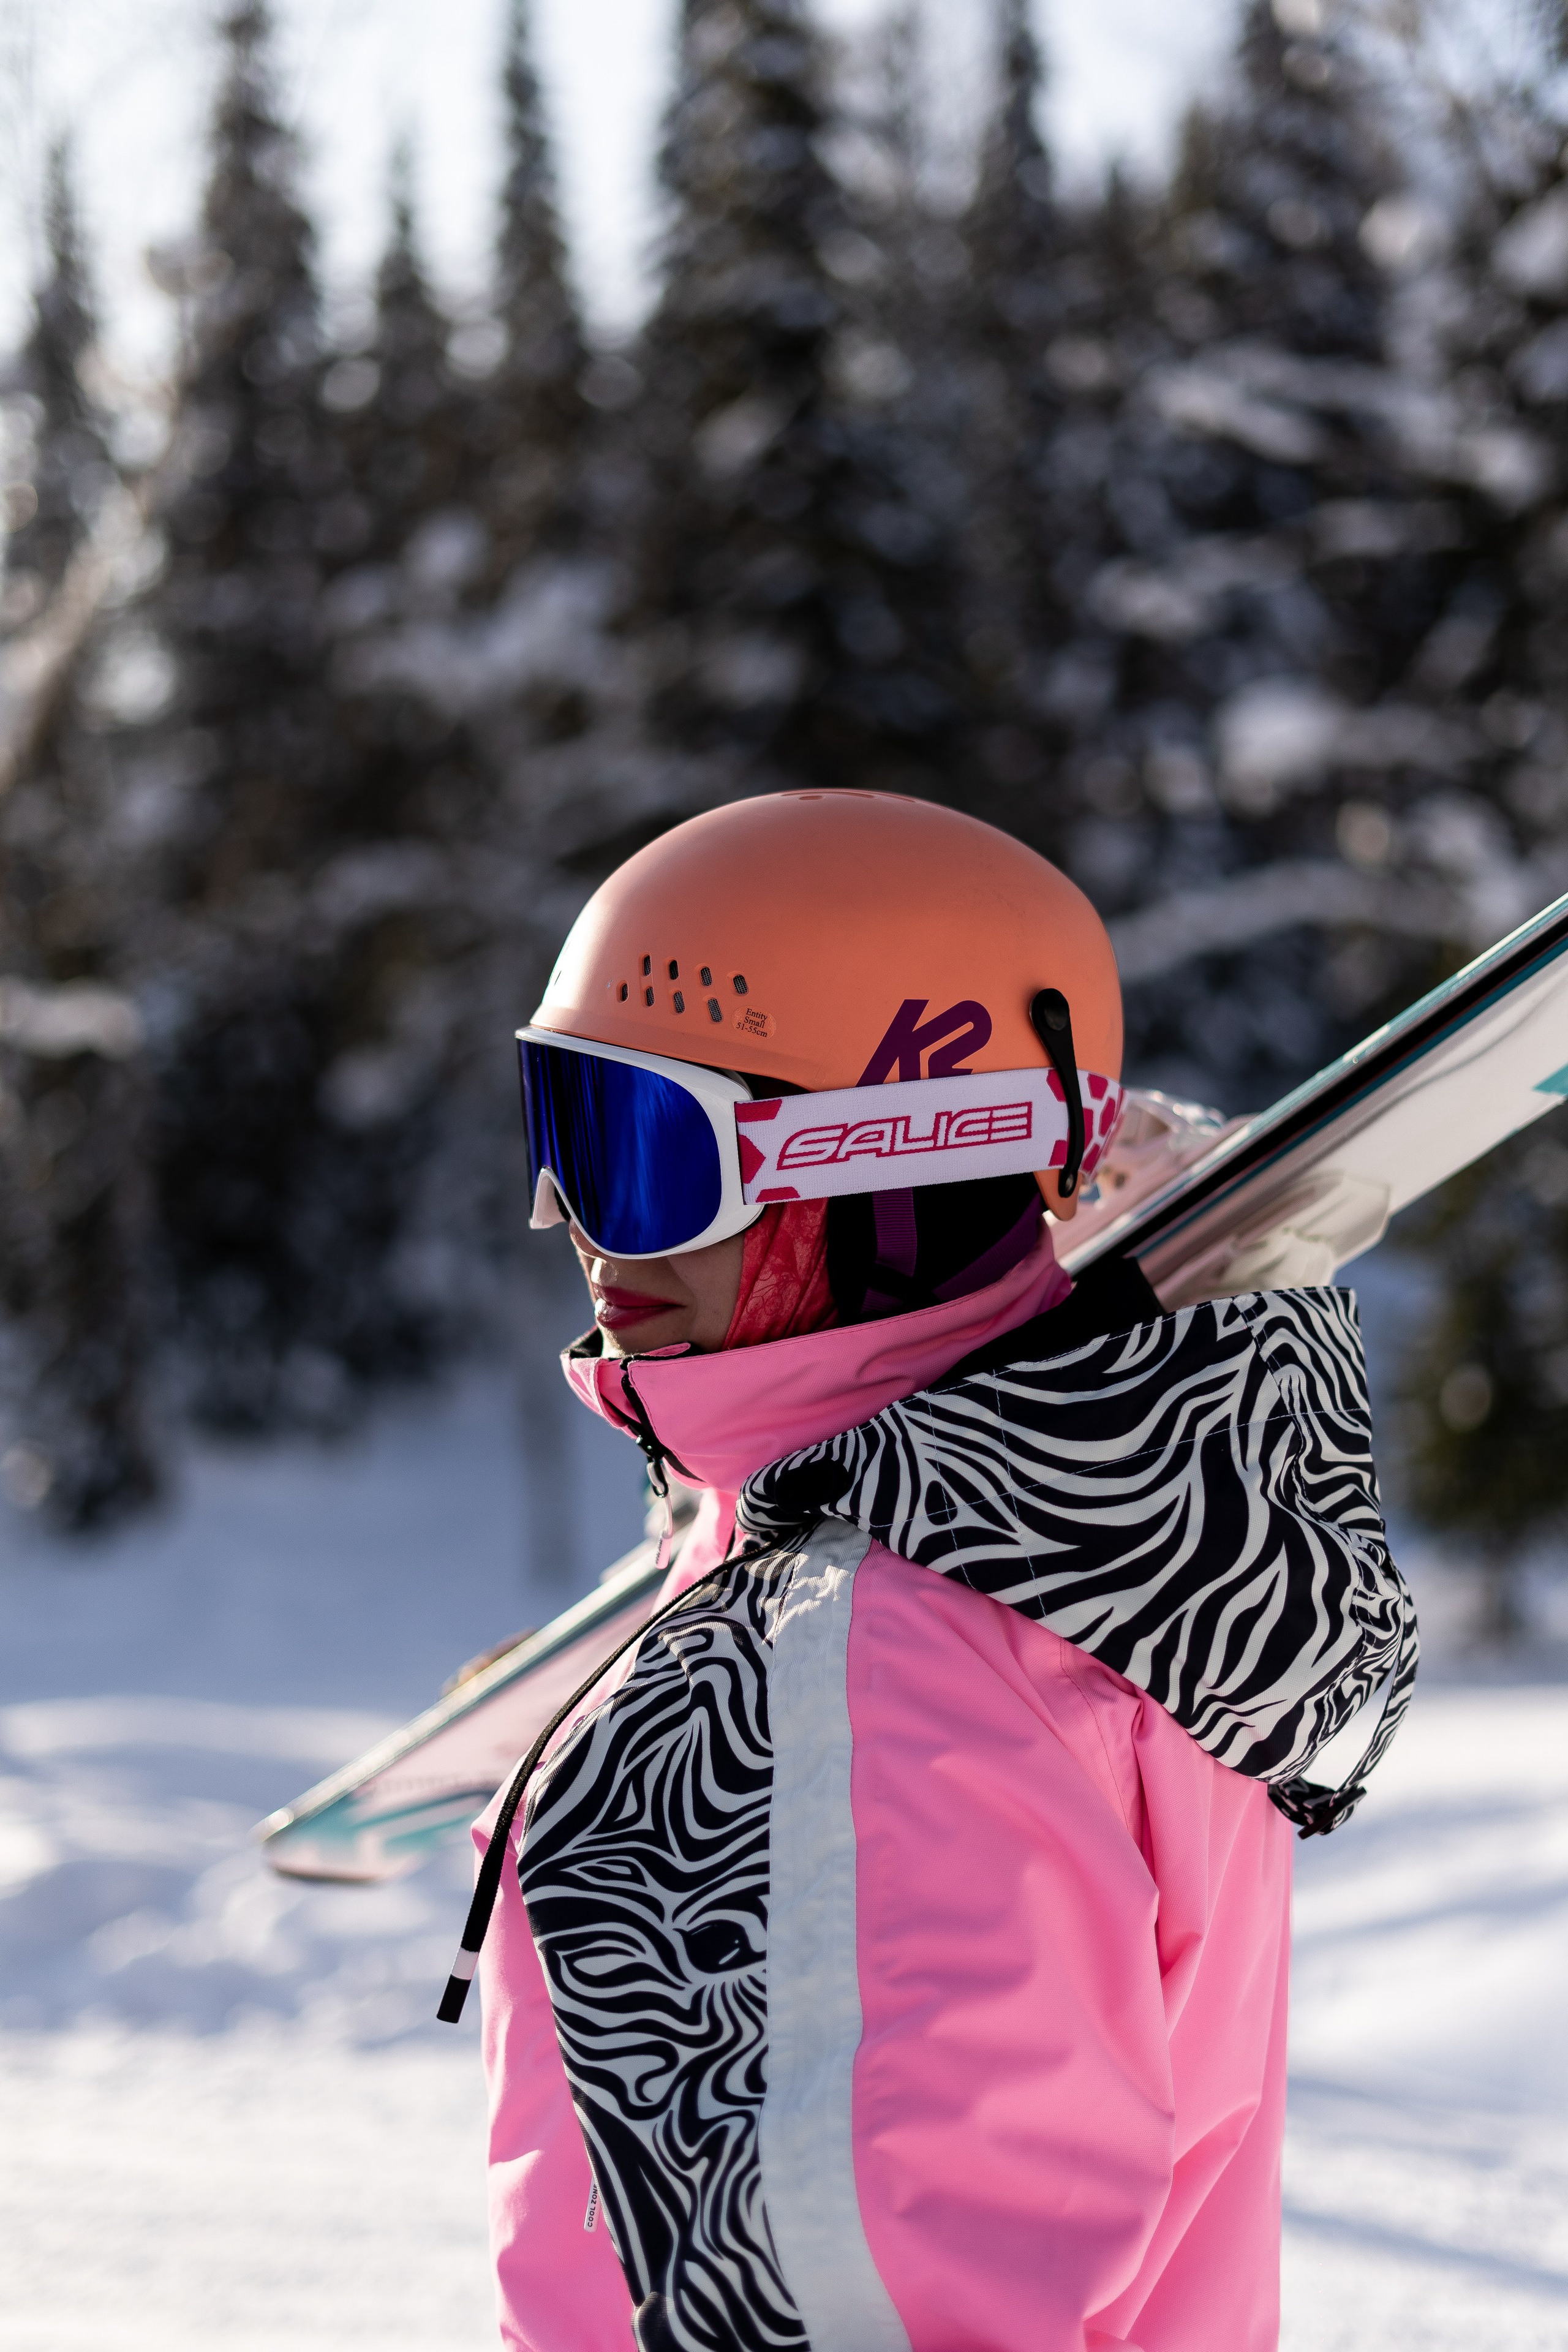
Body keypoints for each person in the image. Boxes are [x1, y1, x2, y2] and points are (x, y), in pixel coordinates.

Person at [469, 791, 1413, 2352]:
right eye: (560, 1126)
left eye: (645, 1152)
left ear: (888, 1156)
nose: (572, 1219)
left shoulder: (855, 1690)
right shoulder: (1100, 1533)